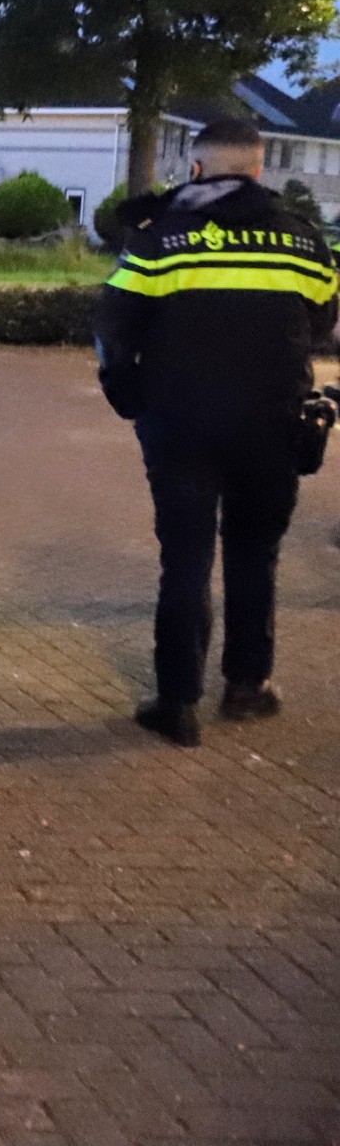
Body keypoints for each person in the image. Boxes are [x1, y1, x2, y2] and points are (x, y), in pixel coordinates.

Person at [96, 116, 338, 747]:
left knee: (185, 559)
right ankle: (246, 687)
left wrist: (130, 396)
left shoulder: (159, 239)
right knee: (255, 557)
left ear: (197, 168)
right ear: (260, 169)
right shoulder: (305, 240)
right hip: (274, 425)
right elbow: (322, 323)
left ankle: (177, 704)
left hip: (180, 426)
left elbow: (114, 327)